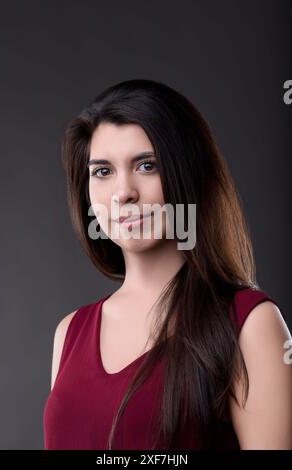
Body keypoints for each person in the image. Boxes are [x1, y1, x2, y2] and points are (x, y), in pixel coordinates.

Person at [43, 79, 292, 450]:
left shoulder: (249, 325)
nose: (124, 192)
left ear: (186, 174)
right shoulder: (69, 333)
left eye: (146, 165)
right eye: (103, 171)